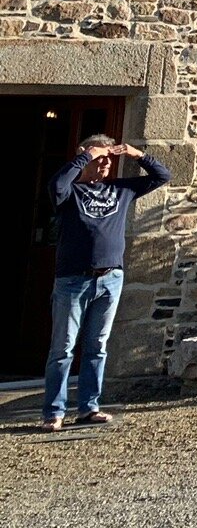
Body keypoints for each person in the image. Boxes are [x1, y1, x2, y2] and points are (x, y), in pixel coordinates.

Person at [41, 133, 170, 432]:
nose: (105, 165)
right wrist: (87, 156)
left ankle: (89, 407)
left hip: (110, 278)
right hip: (73, 280)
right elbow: (55, 186)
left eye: (109, 161)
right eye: (100, 159)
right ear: (84, 156)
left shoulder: (121, 189)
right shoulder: (70, 192)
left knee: (97, 346)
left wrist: (138, 155)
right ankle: (54, 411)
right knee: (62, 349)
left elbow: (162, 176)